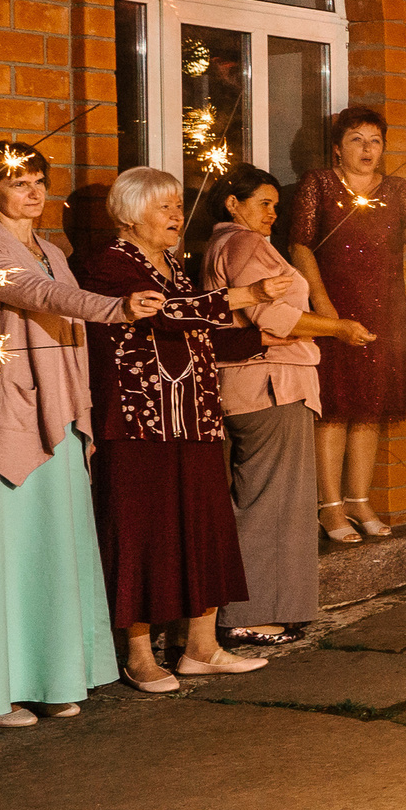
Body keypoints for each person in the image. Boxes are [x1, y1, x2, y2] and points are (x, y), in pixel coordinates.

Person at [0, 143, 163, 726]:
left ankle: (53, 676)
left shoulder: (53, 251)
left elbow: (63, 309)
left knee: (51, 550)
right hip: (1, 415)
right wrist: (115, 308)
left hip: (58, 411)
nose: (34, 192)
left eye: (38, 181)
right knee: (5, 553)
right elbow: (35, 293)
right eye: (19, 182)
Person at [82, 167, 278, 689]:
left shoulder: (174, 266)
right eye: (165, 207)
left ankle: (201, 647)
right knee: (142, 535)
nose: (176, 216)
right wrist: (247, 294)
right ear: (130, 215)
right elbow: (167, 316)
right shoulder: (108, 266)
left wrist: (265, 339)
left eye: (177, 206)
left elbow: (199, 329)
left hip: (193, 416)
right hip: (138, 423)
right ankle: (139, 654)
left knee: (203, 526)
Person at [200, 167, 376, 639]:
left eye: (276, 206)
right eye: (263, 203)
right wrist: (337, 328)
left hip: (261, 382)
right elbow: (271, 314)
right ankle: (249, 615)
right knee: (270, 502)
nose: (272, 214)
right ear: (232, 204)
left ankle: (263, 607)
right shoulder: (243, 244)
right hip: (270, 383)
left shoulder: (227, 244)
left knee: (270, 499)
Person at [289, 105, 406, 541]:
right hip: (334, 306)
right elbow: (300, 245)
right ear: (337, 148)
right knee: (334, 409)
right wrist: (322, 302)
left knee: (369, 409)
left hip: (384, 309)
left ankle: (358, 499)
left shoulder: (397, 188)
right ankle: (330, 506)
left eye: (375, 141)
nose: (367, 149)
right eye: (357, 140)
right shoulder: (318, 184)